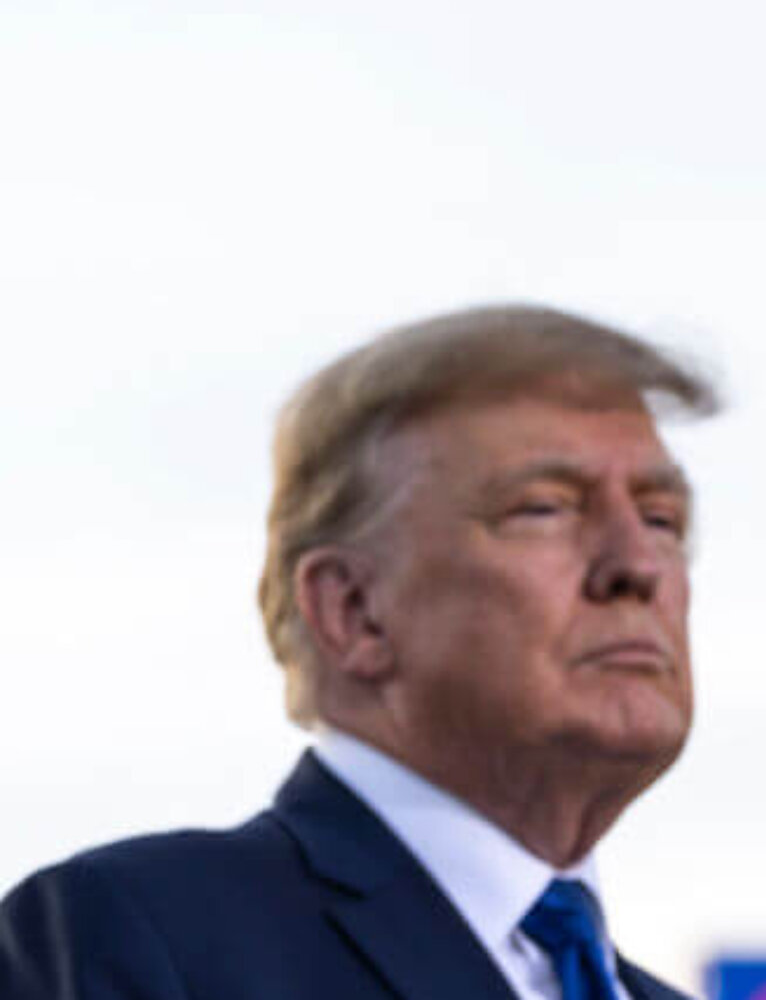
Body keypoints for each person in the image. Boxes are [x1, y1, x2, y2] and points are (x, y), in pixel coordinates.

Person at [0, 304, 716, 1000]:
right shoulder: (144, 937)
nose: (639, 565)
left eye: (662, 519)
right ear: (353, 610)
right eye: (545, 508)